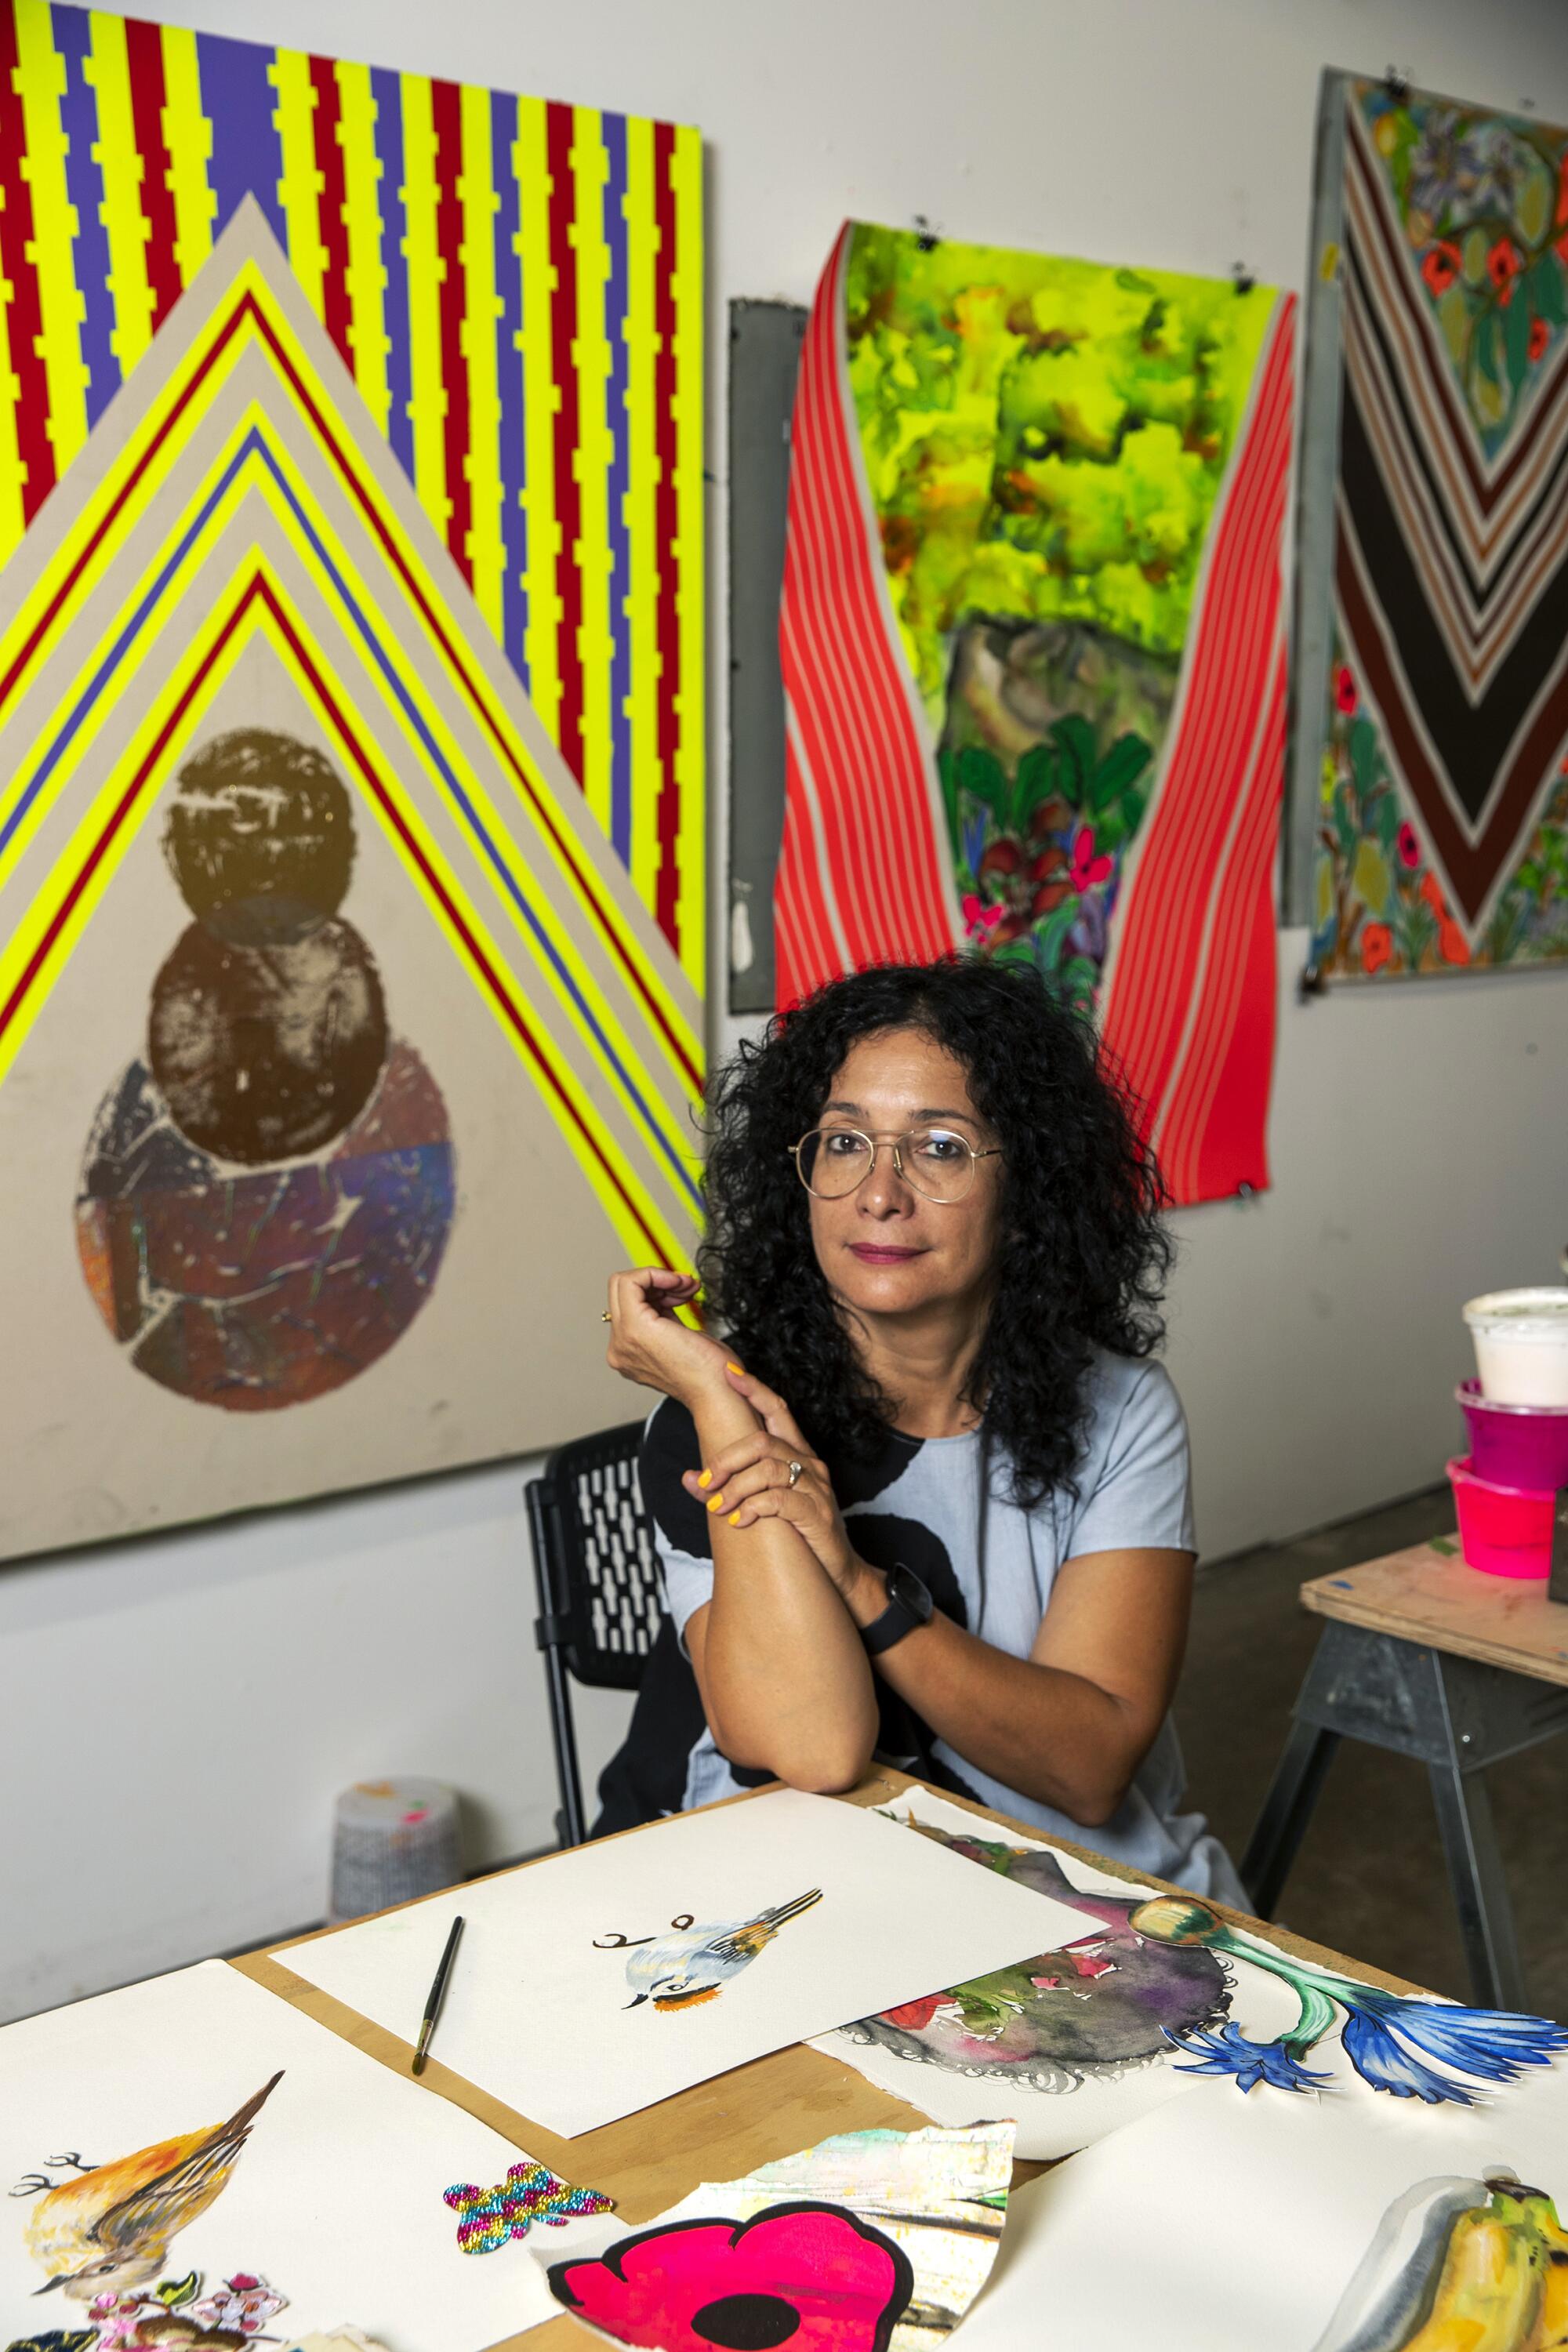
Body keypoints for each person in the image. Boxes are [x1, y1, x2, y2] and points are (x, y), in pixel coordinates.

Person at [597, 958, 1243, 1903]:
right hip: (809, 1897)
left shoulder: (1121, 1408)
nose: (879, 1193)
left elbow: (1089, 1767)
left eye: (939, 1147)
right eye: (844, 1141)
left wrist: (859, 1582)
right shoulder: (715, 1416)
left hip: (1081, 1893)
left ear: (1027, 1192)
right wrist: (711, 1390)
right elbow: (811, 1747)